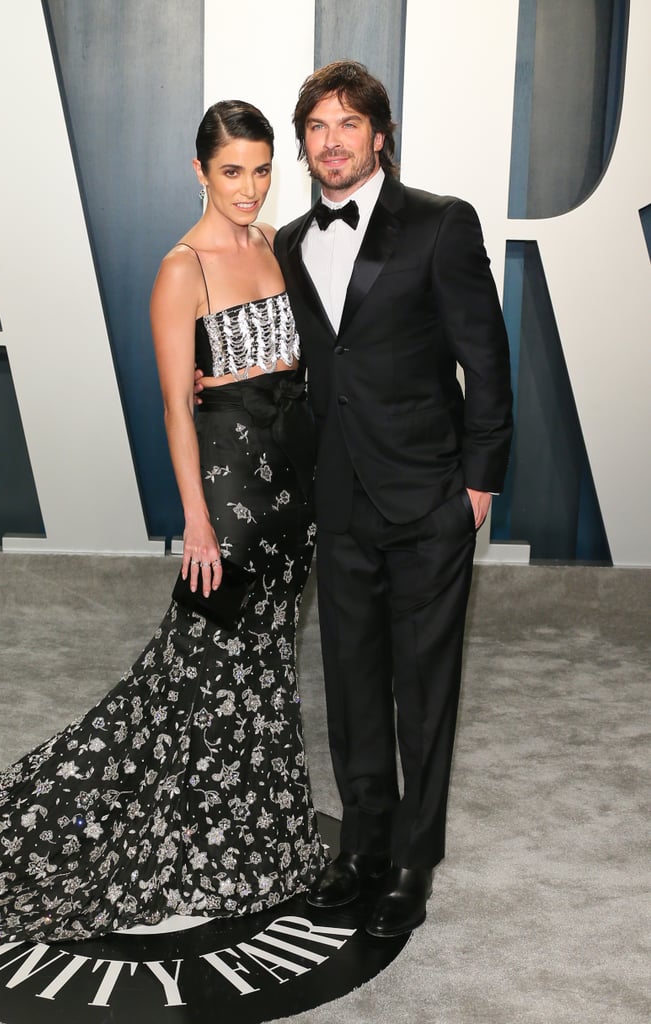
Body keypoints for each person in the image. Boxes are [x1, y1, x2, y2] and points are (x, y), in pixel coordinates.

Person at [0, 101, 325, 947]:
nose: (250, 187)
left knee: (260, 675)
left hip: (292, 500)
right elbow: (177, 412)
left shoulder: (270, 248)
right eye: (232, 171)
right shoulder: (183, 268)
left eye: (261, 169)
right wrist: (195, 522)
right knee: (196, 680)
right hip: (229, 504)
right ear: (198, 172)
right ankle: (187, 849)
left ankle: (251, 845)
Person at [272, 61, 513, 938]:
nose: (330, 141)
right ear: (302, 143)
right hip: (336, 504)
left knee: (424, 689)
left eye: (347, 124)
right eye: (315, 126)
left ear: (380, 135)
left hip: (427, 500)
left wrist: (476, 488)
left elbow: (484, 359)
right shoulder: (291, 241)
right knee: (351, 688)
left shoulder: (441, 225)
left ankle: (413, 863)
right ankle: (363, 847)